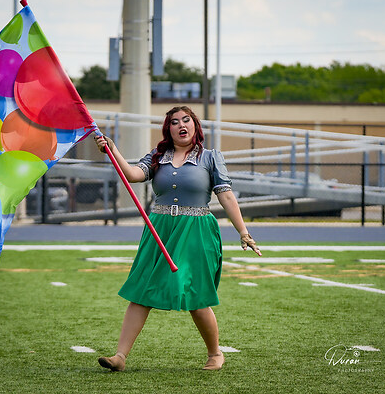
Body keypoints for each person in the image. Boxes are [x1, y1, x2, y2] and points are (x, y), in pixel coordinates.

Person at [94, 106, 261, 372]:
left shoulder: (210, 157)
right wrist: (113, 150)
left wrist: (243, 232)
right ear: (168, 129)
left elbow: (226, 196)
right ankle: (120, 357)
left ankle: (215, 353)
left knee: (195, 293)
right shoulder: (157, 156)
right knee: (142, 291)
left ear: (195, 125)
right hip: (160, 229)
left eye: (186, 120)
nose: (181, 125)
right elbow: (133, 175)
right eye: (174, 122)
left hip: (196, 231)